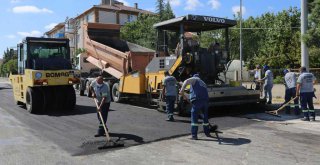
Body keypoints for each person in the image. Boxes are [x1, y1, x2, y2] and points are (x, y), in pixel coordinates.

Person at [179, 74, 210, 140]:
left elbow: (187, 81)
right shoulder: (203, 83)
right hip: (205, 101)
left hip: (197, 100)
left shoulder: (195, 79)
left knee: (194, 117)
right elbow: (194, 94)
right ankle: (207, 132)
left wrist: (182, 90)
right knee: (205, 117)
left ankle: (194, 135)